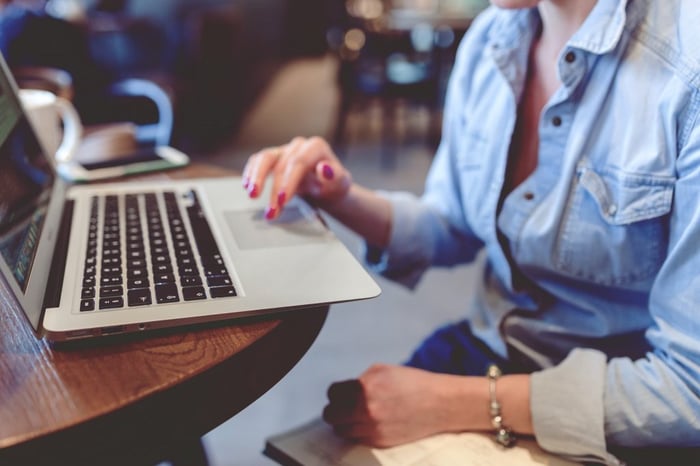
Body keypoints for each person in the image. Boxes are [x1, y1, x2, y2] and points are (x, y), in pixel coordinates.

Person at [242, 0, 700, 464]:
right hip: (488, 351)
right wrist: (340, 196)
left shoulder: (687, 68)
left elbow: (690, 390)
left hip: (616, 410)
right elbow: (452, 223)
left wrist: (453, 402)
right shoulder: (493, 37)